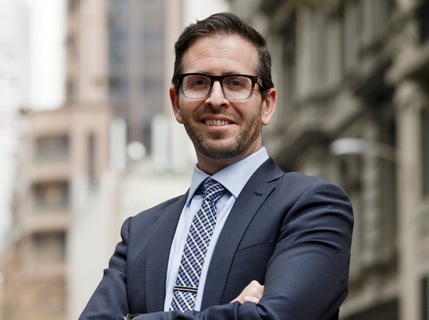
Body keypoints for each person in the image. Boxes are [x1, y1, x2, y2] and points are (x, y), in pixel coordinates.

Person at [79, 12, 353, 320]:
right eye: (198, 82)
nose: (216, 98)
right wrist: (235, 314)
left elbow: (278, 317)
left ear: (267, 104)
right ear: (176, 103)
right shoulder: (140, 232)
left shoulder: (313, 205)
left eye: (236, 83)